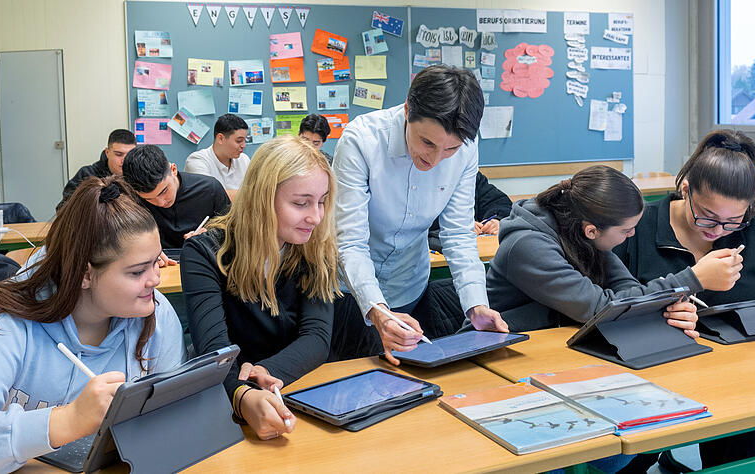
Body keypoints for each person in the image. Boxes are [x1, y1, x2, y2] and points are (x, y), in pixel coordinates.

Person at [0, 176, 186, 472]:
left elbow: (176, 417)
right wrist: (68, 421)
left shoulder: (155, 315)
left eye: (156, 261)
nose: (155, 280)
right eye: (136, 272)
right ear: (85, 274)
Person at [613, 130, 755, 472]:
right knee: (624, 462)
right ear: (685, 190)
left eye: (733, 220)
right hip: (644, 390)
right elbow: (602, 304)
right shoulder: (635, 229)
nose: (717, 229)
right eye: (706, 216)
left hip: (744, 390)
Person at [331, 65, 508, 365]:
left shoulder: (466, 147)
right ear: (407, 110)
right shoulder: (361, 141)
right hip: (350, 294)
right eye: (427, 142)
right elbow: (349, 242)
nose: (435, 159)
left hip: (411, 283)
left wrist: (477, 305)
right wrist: (379, 312)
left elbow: (458, 234)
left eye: (449, 148)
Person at [181, 136, 335, 436]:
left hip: (292, 386)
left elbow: (317, 338)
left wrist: (266, 372)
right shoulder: (204, 252)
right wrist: (244, 394)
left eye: (322, 201)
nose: (315, 217)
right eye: (301, 203)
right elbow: (215, 352)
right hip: (233, 396)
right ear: (261, 198)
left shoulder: (317, 247)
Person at [485, 165, 701, 335]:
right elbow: (600, 308)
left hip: (555, 341)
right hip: (503, 347)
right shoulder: (528, 246)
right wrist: (691, 279)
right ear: (591, 230)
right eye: (626, 230)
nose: (632, 235)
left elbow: (625, 289)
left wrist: (668, 310)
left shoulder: (583, 233)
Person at [122, 145, 230, 251]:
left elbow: (233, 231)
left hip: (205, 259)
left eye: (164, 191)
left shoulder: (210, 189)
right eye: (149, 199)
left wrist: (210, 236)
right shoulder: (132, 199)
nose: (161, 202)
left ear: (173, 169)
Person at [428, 171, 512, 251]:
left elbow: (498, 202)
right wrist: (458, 225)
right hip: (434, 252)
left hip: (473, 249)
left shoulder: (468, 174)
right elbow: (418, 220)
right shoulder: (420, 176)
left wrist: (497, 220)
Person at [58, 129, 136, 209]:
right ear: (107, 153)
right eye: (119, 154)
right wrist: (96, 199)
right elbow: (63, 209)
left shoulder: (139, 176)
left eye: (129, 155)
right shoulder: (87, 175)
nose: (124, 160)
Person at [184, 114, 251, 200]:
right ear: (220, 138)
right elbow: (211, 196)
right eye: (239, 141)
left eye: (245, 140)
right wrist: (250, 194)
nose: (243, 145)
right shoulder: (197, 161)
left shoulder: (244, 160)